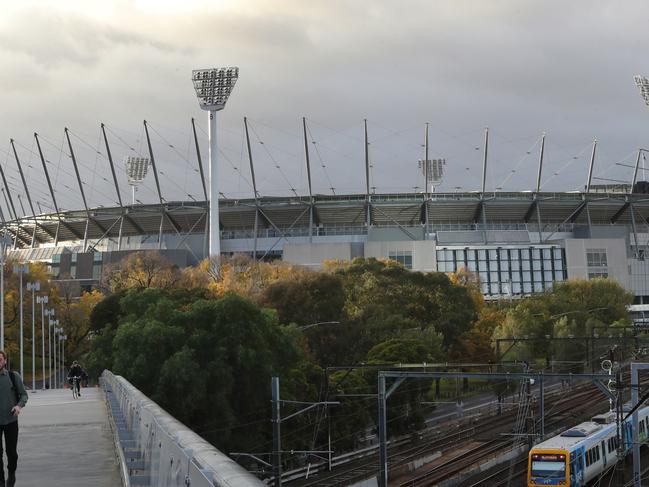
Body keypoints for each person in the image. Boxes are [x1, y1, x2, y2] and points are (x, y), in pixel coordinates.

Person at [0, 350, 27, 487]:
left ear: (4, 361)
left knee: (11, 452)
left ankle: (11, 474)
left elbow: (23, 395)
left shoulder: (13, 376)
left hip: (10, 420)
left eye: (0, 359)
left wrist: (18, 406)